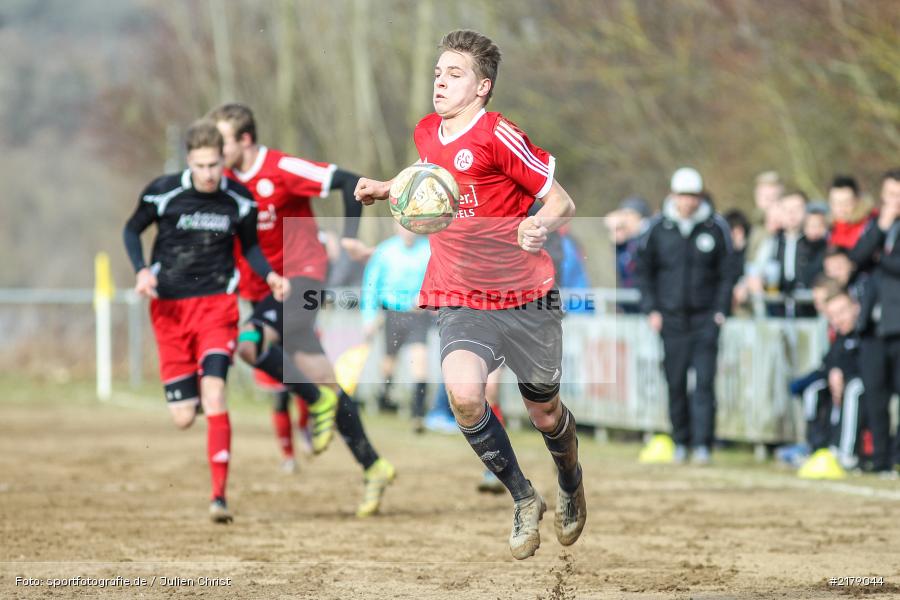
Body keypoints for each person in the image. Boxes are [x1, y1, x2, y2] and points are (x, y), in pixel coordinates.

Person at [354, 29, 585, 560]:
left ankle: (570, 478)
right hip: (462, 292)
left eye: (454, 74)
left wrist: (539, 226)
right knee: (463, 395)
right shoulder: (426, 131)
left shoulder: (499, 135)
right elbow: (429, 174)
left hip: (525, 293)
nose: (440, 81)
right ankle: (525, 498)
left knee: (545, 413)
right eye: (438, 72)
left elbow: (561, 200)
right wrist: (389, 187)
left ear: (482, 87)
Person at [207, 103, 396, 516]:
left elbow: (348, 181)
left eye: (221, 142)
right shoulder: (221, 182)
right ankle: (374, 465)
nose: (214, 151)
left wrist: (348, 237)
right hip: (264, 291)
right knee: (324, 379)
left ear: (244, 139)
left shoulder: (281, 168)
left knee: (251, 346)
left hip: (303, 277)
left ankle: (314, 403)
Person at [122, 119, 288, 523]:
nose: (209, 174)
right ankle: (194, 392)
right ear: (189, 162)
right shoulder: (164, 193)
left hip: (217, 307)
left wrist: (269, 276)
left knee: (216, 394)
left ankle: (218, 499)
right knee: (183, 418)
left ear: (222, 160)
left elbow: (249, 247)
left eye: (214, 165)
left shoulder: (240, 198)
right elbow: (131, 229)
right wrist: (142, 270)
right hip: (170, 312)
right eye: (200, 166)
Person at [636, 167, 734, 465]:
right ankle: (681, 440)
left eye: (693, 195)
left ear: (700, 196)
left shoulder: (717, 228)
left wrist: (720, 311)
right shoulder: (657, 228)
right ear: (673, 196)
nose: (687, 201)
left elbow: (727, 274)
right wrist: (652, 309)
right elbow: (644, 272)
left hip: (706, 319)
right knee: (675, 382)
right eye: (682, 195)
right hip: (671, 320)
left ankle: (703, 443)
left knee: (704, 383)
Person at [848, 168, 900, 475]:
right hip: (872, 326)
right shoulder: (876, 225)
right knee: (876, 396)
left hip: (898, 326)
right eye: (889, 195)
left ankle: (896, 455)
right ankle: (880, 458)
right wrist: (880, 230)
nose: (893, 201)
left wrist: (879, 258)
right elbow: (857, 258)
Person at [360, 223, 432, 429]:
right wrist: (368, 318)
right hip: (391, 313)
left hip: (417, 314)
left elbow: (437, 279)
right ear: (395, 228)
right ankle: (385, 399)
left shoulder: (428, 249)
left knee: (420, 361)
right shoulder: (385, 251)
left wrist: (427, 296)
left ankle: (418, 414)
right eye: (403, 227)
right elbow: (370, 285)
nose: (407, 231)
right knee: (388, 362)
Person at [828, 175, 875, 250]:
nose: (841, 208)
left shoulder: (870, 225)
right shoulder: (827, 228)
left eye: (846, 203)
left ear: (857, 200)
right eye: (836, 203)